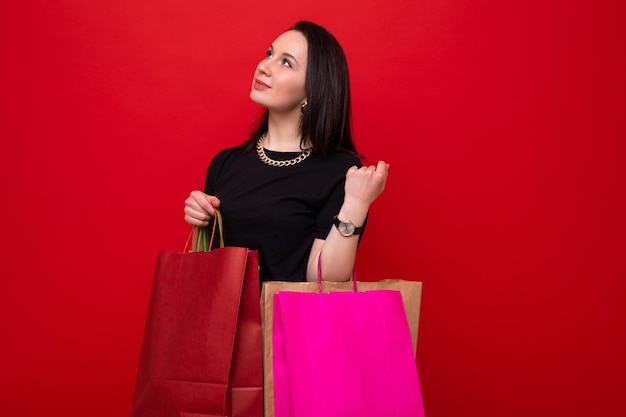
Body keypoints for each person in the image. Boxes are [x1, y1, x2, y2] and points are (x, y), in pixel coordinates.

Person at [183, 21, 388, 284]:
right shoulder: (226, 163)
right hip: (225, 325)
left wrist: (356, 206)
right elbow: (211, 268)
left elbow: (326, 281)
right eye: (269, 54)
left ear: (312, 90)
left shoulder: (340, 172)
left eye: (286, 62)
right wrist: (200, 217)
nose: (264, 66)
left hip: (289, 324)